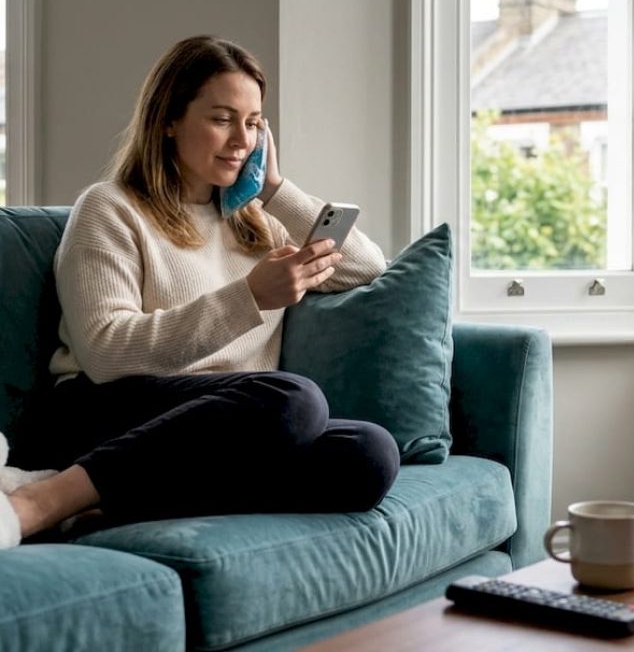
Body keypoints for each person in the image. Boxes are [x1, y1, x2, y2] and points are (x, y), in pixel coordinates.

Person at [0, 35, 400, 548]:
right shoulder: (110, 208)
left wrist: (274, 188)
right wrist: (250, 297)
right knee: (293, 399)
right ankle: (41, 501)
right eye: (222, 118)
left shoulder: (256, 221)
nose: (242, 139)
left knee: (368, 453)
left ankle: (111, 501)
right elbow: (104, 353)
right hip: (105, 408)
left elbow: (367, 266)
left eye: (254, 123)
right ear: (169, 120)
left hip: (224, 425)